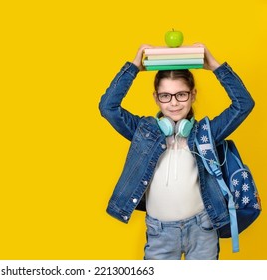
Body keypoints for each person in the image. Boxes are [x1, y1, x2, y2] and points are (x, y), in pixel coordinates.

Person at [98, 43, 255, 260]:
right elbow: (108, 107)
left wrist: (215, 66)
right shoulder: (143, 132)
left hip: (203, 229)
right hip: (159, 232)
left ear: (192, 95)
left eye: (181, 94)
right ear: (156, 97)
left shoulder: (205, 133)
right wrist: (133, 67)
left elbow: (243, 104)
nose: (173, 103)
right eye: (165, 96)